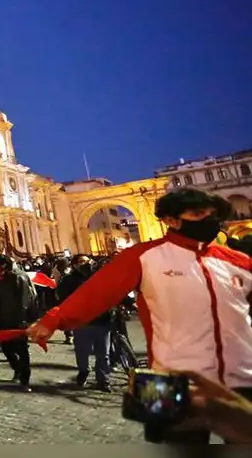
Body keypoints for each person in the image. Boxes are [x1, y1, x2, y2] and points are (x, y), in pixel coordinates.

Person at [27, 188, 252, 444]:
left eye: (215, 215)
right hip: (166, 377)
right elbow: (97, 292)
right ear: (171, 219)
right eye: (199, 214)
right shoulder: (142, 256)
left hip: (244, 375)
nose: (210, 221)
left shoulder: (239, 261)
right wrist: (53, 320)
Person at [57, 255, 112, 392]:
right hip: (82, 322)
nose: (85, 264)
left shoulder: (101, 276)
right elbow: (64, 300)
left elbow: (113, 291)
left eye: (87, 261)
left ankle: (103, 380)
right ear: (74, 265)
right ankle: (83, 371)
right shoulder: (68, 281)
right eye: (81, 262)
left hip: (102, 320)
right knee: (83, 351)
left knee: (103, 353)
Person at [0, 255, 37, 392]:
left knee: (21, 349)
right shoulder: (0, 279)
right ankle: (17, 369)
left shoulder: (19, 277)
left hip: (18, 320)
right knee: (6, 348)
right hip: (4, 319)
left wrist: (24, 320)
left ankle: (25, 379)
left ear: (4, 265)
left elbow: (25, 299)